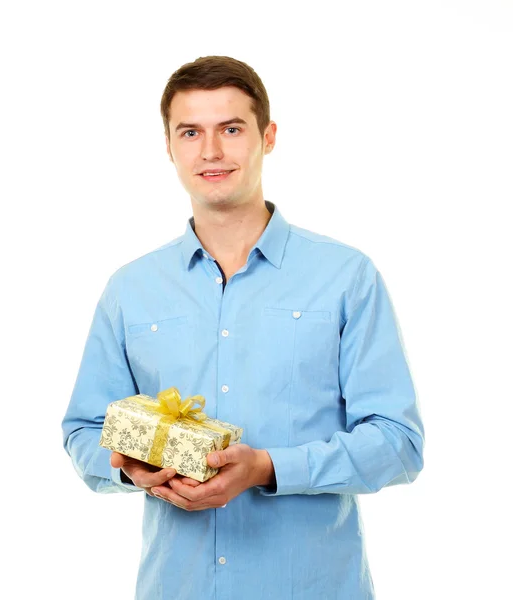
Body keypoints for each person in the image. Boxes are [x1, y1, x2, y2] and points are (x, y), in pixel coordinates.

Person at [61, 55, 425, 600]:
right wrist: (130, 469)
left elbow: (398, 443)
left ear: (268, 136)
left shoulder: (347, 277)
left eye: (231, 129)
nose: (211, 151)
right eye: (190, 132)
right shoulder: (130, 290)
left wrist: (265, 468)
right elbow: (84, 429)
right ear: (169, 146)